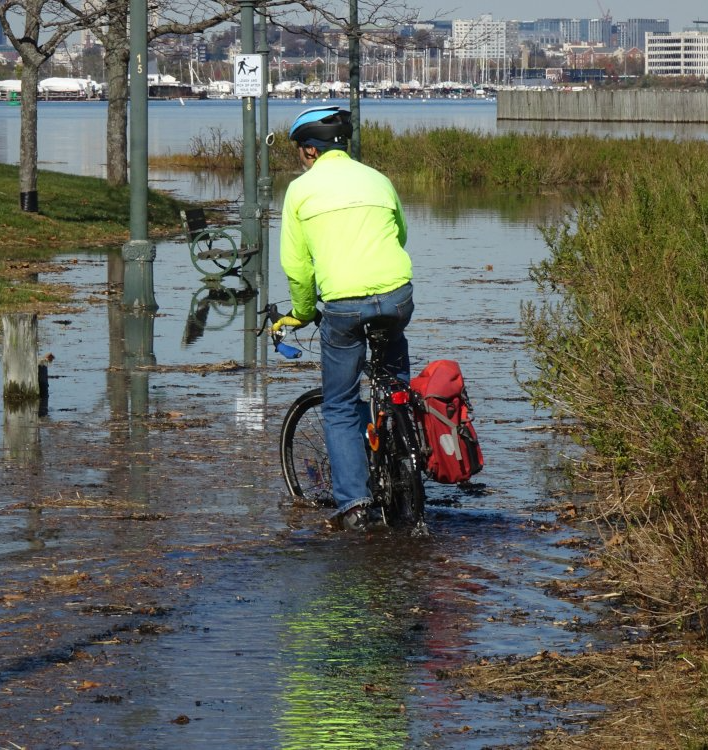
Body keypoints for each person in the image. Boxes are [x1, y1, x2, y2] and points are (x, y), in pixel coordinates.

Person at [276, 105, 414, 532]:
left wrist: (300, 314)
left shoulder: (300, 192)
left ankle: (355, 503)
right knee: (395, 388)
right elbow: (400, 234)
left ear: (310, 152)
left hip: (344, 305)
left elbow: (297, 268)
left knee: (338, 404)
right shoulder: (378, 179)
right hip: (397, 296)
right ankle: (406, 456)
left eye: (301, 150)